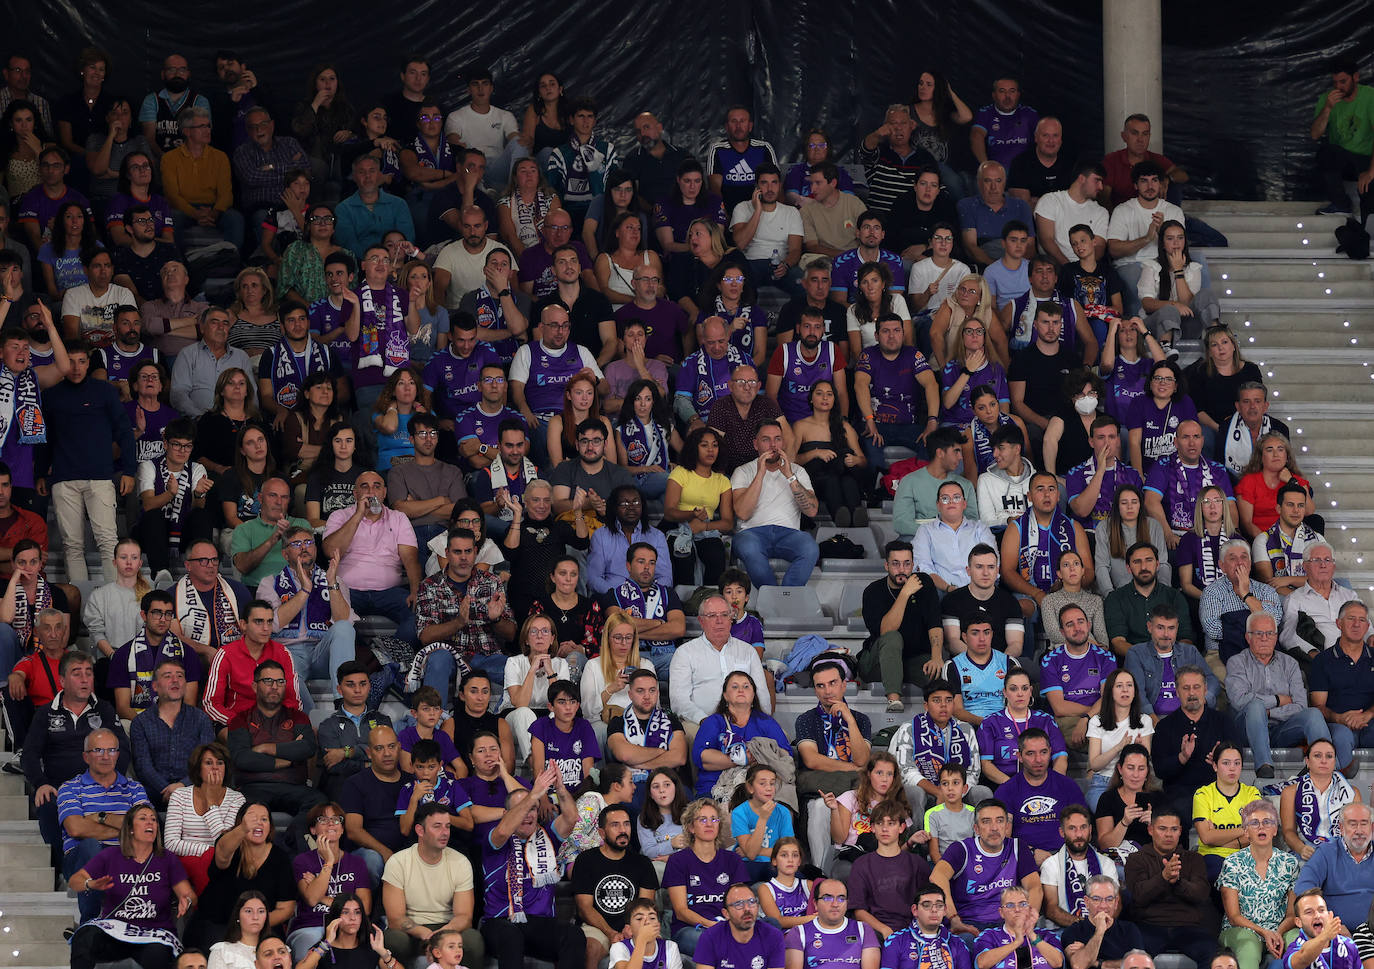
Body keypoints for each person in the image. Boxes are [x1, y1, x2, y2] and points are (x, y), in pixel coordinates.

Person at [40, 337, 136, 582]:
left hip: (100, 476)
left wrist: (128, 470)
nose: (76, 367)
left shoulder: (103, 391)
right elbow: (45, 438)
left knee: (108, 543)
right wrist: (40, 473)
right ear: (60, 363)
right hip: (64, 477)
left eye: (81, 361)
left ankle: (116, 605)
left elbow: (124, 431)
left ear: (88, 363)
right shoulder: (51, 395)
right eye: (70, 362)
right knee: (72, 546)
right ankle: (81, 606)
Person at [478, 765, 582, 969]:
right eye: (522, 809)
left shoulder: (548, 836)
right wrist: (533, 795)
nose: (528, 814)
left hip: (538, 924)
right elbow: (503, 831)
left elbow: (571, 818)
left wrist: (560, 788)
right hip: (500, 922)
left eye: (532, 808)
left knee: (573, 934)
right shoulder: (494, 838)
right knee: (510, 935)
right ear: (508, 813)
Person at [68, 805, 195, 969]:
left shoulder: (167, 859)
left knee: (158, 955)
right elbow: (74, 881)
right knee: (85, 937)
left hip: (153, 933)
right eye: (143, 818)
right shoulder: (111, 855)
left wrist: (187, 900)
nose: (150, 823)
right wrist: (90, 883)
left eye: (154, 819)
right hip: (115, 930)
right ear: (130, 829)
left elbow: (188, 893)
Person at [56, 727, 150, 920]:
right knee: (91, 845)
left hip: (125, 856)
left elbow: (145, 827)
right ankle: (92, 919)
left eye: (112, 750)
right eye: (98, 750)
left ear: (118, 755)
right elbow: (75, 828)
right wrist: (126, 828)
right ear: (86, 757)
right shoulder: (70, 787)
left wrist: (101, 816)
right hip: (81, 859)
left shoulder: (134, 788)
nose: (106, 756)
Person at [321, 471, 422, 645]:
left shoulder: (398, 518)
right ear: (355, 494)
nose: (371, 491)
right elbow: (330, 551)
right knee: (335, 621)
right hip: (348, 591)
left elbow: (410, 559)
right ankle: (366, 660)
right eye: (364, 486)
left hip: (389, 592)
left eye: (377, 486)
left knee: (419, 617)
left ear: (384, 493)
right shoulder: (339, 516)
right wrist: (358, 515)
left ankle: (393, 659)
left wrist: (415, 590)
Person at [380, 801, 485, 967]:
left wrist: (441, 936)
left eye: (448, 826)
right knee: (393, 940)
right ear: (420, 830)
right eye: (437, 826)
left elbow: (464, 917)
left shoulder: (460, 862)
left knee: (473, 941)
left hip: (448, 926)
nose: (445, 833)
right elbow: (395, 919)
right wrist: (425, 933)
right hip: (412, 929)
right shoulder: (398, 862)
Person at [1227, 611, 1329, 779]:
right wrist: (1277, 700)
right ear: (1248, 637)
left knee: (1313, 714)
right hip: (1246, 730)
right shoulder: (1236, 662)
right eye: (1258, 633)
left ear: (1276, 637)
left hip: (1281, 729)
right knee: (1254, 707)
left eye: (1270, 633)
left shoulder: (1290, 664)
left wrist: (1267, 713)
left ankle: (1323, 770)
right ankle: (1264, 768)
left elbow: (1300, 705)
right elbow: (1239, 701)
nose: (1265, 638)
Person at [929, 798, 1041, 938]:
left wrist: (1028, 918)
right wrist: (953, 918)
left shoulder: (1018, 847)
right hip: (970, 924)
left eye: (999, 821)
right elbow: (937, 876)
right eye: (986, 821)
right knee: (966, 942)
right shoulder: (962, 849)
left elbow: (1034, 886)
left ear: (1007, 826)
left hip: (1008, 921)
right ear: (976, 828)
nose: (994, 828)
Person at [225, 656, 325, 812]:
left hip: (293, 787)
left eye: (280, 682)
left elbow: (307, 747)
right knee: (242, 809)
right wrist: (286, 761)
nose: (275, 686)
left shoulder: (299, 717)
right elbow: (242, 758)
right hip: (252, 788)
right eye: (268, 681)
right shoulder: (240, 720)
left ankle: (294, 837)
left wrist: (264, 748)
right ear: (254, 686)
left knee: (319, 804)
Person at [729, 420, 819, 588]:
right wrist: (760, 473)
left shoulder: (798, 471)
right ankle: (769, 596)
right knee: (748, 546)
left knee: (810, 547)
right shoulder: (742, 471)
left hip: (789, 534)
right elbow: (742, 513)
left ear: (783, 442)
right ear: (756, 444)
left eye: (777, 439)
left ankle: (787, 598)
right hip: (752, 534)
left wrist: (790, 477)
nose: (773, 445)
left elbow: (812, 511)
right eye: (766, 440)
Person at [1121, 809, 1217, 966]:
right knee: (1132, 957)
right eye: (1162, 829)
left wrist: (1178, 881)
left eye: (1174, 829)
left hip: (1188, 928)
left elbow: (1201, 894)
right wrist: (1163, 878)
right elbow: (1138, 896)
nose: (1168, 834)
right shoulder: (1136, 859)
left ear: (1180, 831)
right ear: (1151, 830)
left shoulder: (1194, 859)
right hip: (1148, 926)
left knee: (1214, 954)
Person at [572, 802, 660, 969]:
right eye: (615, 825)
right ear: (601, 833)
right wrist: (611, 933)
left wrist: (632, 928)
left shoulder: (642, 863)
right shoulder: (586, 861)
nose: (622, 830)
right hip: (597, 927)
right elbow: (585, 908)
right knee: (590, 948)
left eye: (626, 824)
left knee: (656, 944)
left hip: (635, 925)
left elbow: (645, 906)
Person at [1215, 798, 1301, 969]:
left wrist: (1277, 933)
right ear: (1246, 832)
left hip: (1280, 929)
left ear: (1275, 829)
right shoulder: (1233, 863)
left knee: (1297, 940)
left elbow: (1292, 914)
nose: (1261, 827)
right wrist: (1264, 933)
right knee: (1249, 946)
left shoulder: (1289, 863)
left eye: (1267, 822)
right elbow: (1234, 917)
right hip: (1241, 930)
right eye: (1254, 823)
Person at [859, 541, 944, 712]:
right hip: (877, 663)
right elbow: (886, 631)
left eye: (906, 563)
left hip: (911, 661)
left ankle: (939, 719)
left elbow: (934, 624)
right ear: (886, 565)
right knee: (893, 637)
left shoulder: (924, 583)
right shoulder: (873, 591)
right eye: (895, 564)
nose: (901, 569)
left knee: (940, 675)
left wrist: (936, 657)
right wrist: (905, 593)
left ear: (913, 564)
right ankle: (894, 700)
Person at [1000, 473, 1092, 618]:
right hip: (1030, 592)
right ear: (1029, 496)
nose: (1046, 494)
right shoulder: (1017, 528)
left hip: (1070, 591)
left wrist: (1067, 586)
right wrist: (1036, 593)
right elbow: (1007, 572)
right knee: (1021, 608)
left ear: (1059, 496)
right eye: (1040, 489)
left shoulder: (1074, 527)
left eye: (1051, 489)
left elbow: (1088, 571)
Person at [129, 656, 215, 806]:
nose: (175, 680)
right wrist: (166, 789)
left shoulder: (201, 719)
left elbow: (206, 761)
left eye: (180, 676)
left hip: (193, 790)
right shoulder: (141, 722)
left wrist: (182, 787)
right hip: (155, 792)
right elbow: (143, 766)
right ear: (155, 686)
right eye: (167, 676)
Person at [107, 588, 202, 720]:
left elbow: (189, 703)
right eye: (157, 613)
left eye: (168, 614)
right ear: (144, 615)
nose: (163, 619)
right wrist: (148, 728)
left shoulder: (187, 653)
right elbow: (123, 708)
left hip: (178, 722)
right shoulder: (123, 654)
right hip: (137, 721)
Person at [1152, 666, 1229, 817]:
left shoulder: (1223, 721)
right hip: (1178, 795)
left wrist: (1221, 760)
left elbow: (1238, 754)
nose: (1192, 693)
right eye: (1186, 688)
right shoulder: (1165, 726)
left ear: (1205, 689)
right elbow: (1160, 770)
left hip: (1217, 791)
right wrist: (1182, 758)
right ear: (1177, 691)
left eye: (1196, 687)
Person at [1309, 601, 1374, 774]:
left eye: (1362, 620)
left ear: (1368, 626)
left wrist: (1368, 714)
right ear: (1339, 623)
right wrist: (1340, 718)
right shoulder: (1322, 661)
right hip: (1337, 724)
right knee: (1341, 737)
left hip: (1371, 721)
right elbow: (1318, 707)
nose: (1356, 624)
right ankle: (1343, 791)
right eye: (1351, 618)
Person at [1199, 539, 1284, 671]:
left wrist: (1245, 594)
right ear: (1222, 566)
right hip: (1220, 653)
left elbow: (1273, 623)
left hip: (1264, 650)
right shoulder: (1212, 592)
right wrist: (1256, 629)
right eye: (1232, 559)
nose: (1239, 563)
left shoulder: (1266, 590)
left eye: (1244, 557)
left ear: (1250, 563)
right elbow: (1213, 630)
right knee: (1234, 683)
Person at [1123, 604, 1214, 716]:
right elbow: (1136, 692)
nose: (1166, 634)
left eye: (1171, 628)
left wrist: (1204, 699)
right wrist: (1152, 719)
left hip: (1191, 715)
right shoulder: (1136, 653)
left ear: (1177, 628)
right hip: (1154, 718)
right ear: (1149, 627)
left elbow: (1211, 680)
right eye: (1160, 628)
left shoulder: (1190, 652)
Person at [1105, 545, 1194, 658]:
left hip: (1172, 660)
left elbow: (1185, 638)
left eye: (1149, 560)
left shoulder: (1174, 596)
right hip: (1134, 662)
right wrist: (1147, 659)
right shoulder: (1116, 598)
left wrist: (1167, 658)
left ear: (1157, 565)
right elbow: (1118, 642)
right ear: (1128, 567)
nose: (1144, 567)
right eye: (1137, 562)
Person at [1281, 541, 1357, 665]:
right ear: (1305, 566)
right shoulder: (1295, 599)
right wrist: (1312, 652)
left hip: (1356, 658)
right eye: (1316, 560)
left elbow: (1367, 626)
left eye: (1328, 560)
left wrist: (1370, 637)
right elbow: (1288, 635)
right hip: (1323, 660)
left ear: (1333, 565)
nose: (1323, 565)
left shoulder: (1350, 596)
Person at [894, 427, 979, 533]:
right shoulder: (909, 482)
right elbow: (901, 523)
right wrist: (937, 534)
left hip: (957, 543)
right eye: (956, 452)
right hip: (918, 542)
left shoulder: (966, 485)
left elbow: (972, 522)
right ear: (940, 453)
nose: (960, 457)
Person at [857, 104, 937, 215]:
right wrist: (877, 135)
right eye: (893, 123)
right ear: (885, 128)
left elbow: (938, 190)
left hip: (912, 223)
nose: (898, 128)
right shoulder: (879, 153)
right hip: (879, 225)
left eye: (903, 123)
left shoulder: (924, 157)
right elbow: (865, 150)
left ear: (911, 126)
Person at [957, 162, 1035, 268]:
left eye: (998, 181)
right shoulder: (967, 205)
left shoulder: (1021, 206)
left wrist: (1015, 269)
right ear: (979, 183)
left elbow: (1030, 247)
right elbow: (971, 247)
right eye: (987, 181)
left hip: (1018, 264)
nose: (993, 187)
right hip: (986, 264)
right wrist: (999, 270)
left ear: (1005, 183)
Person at [1056, 877, 1144, 969]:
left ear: (1116, 902)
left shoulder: (1129, 929)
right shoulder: (1073, 931)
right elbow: (1079, 965)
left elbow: (1139, 965)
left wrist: (1099, 963)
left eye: (1109, 899)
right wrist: (1100, 931)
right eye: (1096, 899)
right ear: (1086, 902)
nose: (1103, 906)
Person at [1034, 162, 1109, 268]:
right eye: (1097, 180)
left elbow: (1099, 246)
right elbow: (1046, 240)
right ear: (1082, 178)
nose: (1101, 187)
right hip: (1054, 266)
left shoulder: (1101, 212)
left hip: (1087, 268)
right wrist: (1069, 268)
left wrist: (1084, 268)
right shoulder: (1050, 200)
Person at [881, 884, 973, 969]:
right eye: (926, 905)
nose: (934, 910)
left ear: (945, 910)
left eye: (939, 905)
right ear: (915, 910)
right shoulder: (896, 941)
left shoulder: (957, 943)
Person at [972, 886, 1065, 969]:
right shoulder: (989, 935)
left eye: (1023, 904)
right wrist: (1017, 942)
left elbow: (1058, 963)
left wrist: (1031, 935)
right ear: (1001, 912)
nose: (1017, 909)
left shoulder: (1047, 935)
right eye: (1010, 905)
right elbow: (982, 964)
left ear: (1029, 908)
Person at [1283, 891, 1363, 969]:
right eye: (1309, 912)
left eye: (1321, 910)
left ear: (1329, 915)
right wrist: (1325, 936)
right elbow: (1303, 958)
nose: (1317, 915)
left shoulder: (1349, 945)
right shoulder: (1294, 949)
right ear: (1298, 922)